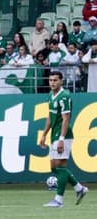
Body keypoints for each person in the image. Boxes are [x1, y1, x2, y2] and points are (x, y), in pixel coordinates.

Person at [40, 70, 88, 207]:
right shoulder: (50, 95)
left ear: (61, 81)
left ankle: (58, 200)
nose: (52, 83)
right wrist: (44, 134)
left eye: (55, 80)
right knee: (54, 168)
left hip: (64, 135)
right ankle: (79, 188)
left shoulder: (64, 96)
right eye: (50, 80)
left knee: (60, 167)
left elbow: (66, 119)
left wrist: (61, 139)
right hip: (54, 134)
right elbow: (50, 116)